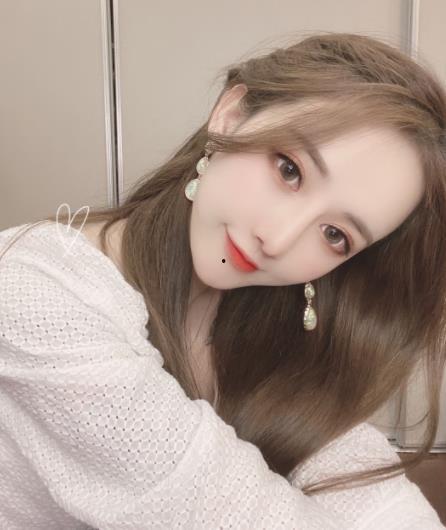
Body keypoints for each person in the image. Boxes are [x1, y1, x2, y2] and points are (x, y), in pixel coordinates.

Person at [0, 32, 445, 528]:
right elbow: (221, 512)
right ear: (231, 116)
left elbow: (381, 502)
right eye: (289, 170)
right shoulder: (37, 289)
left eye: (334, 235)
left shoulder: (267, 331)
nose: (277, 239)